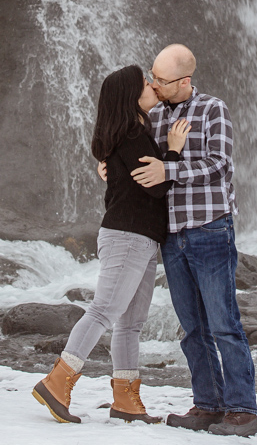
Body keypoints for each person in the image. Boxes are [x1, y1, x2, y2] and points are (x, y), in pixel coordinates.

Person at [32, 64, 190, 425]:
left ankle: (126, 401)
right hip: (128, 237)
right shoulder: (132, 135)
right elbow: (158, 186)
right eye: (146, 83)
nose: (153, 86)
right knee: (104, 311)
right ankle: (57, 382)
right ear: (130, 95)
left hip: (142, 239)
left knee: (131, 323)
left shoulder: (130, 134)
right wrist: (174, 150)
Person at [132, 43, 257, 437]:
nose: (154, 84)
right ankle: (208, 404)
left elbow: (220, 164)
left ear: (184, 81)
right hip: (171, 234)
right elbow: (133, 154)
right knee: (192, 327)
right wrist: (107, 162)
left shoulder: (212, 109)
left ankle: (243, 410)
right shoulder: (154, 115)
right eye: (152, 76)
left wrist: (170, 169)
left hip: (209, 228)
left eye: (162, 79)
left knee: (223, 323)